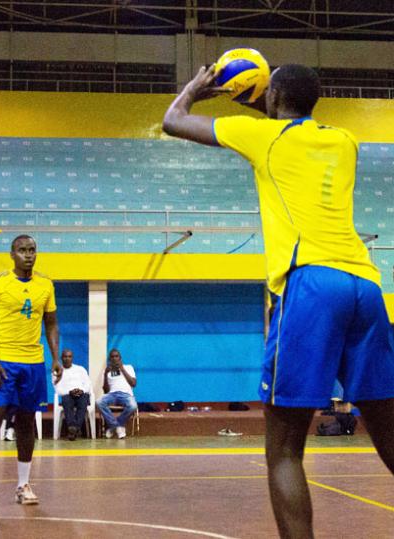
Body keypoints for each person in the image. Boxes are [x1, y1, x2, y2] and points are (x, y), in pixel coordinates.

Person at [163, 64, 394, 538]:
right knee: (389, 434)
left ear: (272, 100)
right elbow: (288, 117)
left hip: (311, 285)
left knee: (285, 448)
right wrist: (267, 99)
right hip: (367, 285)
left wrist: (200, 88)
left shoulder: (262, 136)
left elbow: (174, 119)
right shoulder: (345, 140)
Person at [0, 234, 60, 513]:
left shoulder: (46, 285)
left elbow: (51, 324)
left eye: (32, 250)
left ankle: (23, 485)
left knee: (26, 422)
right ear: (12, 254)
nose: (28, 255)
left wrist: (55, 357)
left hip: (33, 363)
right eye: (22, 250)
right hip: (3, 362)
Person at [96, 349, 137, 439]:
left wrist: (122, 369)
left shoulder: (128, 367)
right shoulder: (107, 371)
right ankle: (116, 426)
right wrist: (106, 374)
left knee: (133, 406)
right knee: (99, 402)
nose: (114, 358)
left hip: (126, 394)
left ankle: (114, 426)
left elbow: (133, 383)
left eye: (116, 356)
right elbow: (106, 391)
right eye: (112, 357)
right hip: (112, 394)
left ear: (120, 358)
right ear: (110, 359)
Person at [53, 349, 92, 441]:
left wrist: (81, 390)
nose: (67, 359)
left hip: (81, 394)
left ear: (72, 358)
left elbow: (88, 384)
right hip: (67, 394)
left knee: (83, 401)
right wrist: (70, 391)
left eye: (69, 356)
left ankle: (73, 429)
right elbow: (57, 388)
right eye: (65, 356)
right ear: (61, 358)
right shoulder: (57, 371)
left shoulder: (80, 369)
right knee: (66, 401)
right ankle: (74, 428)